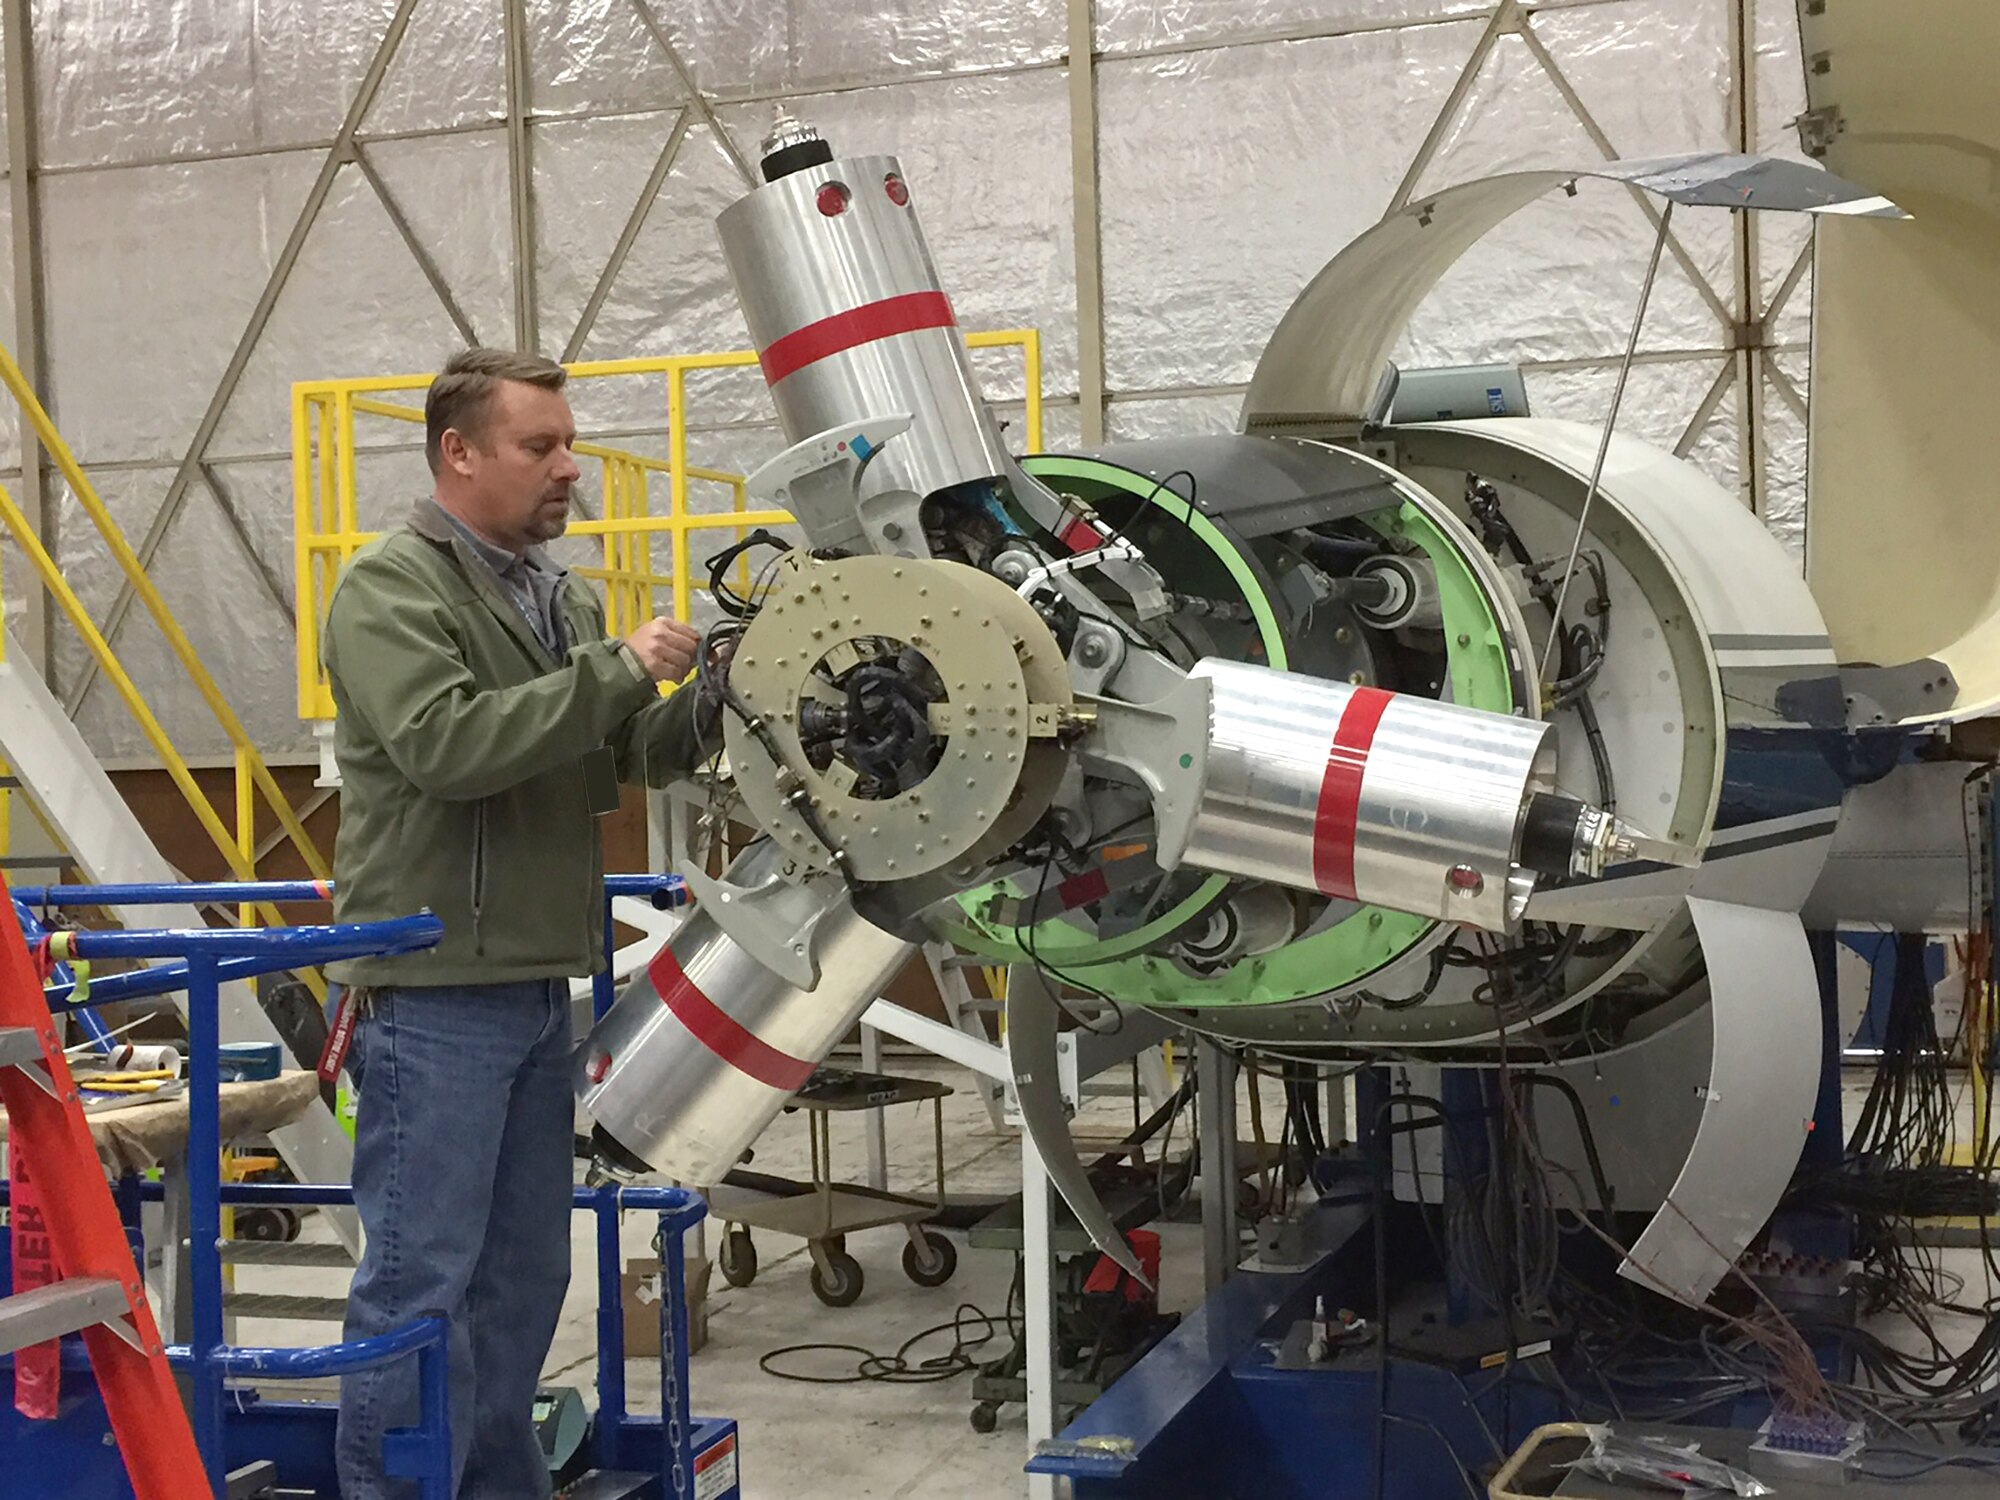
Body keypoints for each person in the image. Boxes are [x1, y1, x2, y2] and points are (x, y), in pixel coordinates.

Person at [320, 347, 715, 1498]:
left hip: (540, 976)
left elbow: (615, 754)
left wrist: (715, 699)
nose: (568, 468)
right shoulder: (390, 589)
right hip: (434, 983)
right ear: (459, 452)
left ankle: (497, 1484)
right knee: (418, 1281)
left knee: (525, 1274)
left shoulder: (561, 595)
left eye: (566, 443)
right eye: (538, 447)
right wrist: (614, 671)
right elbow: (449, 748)